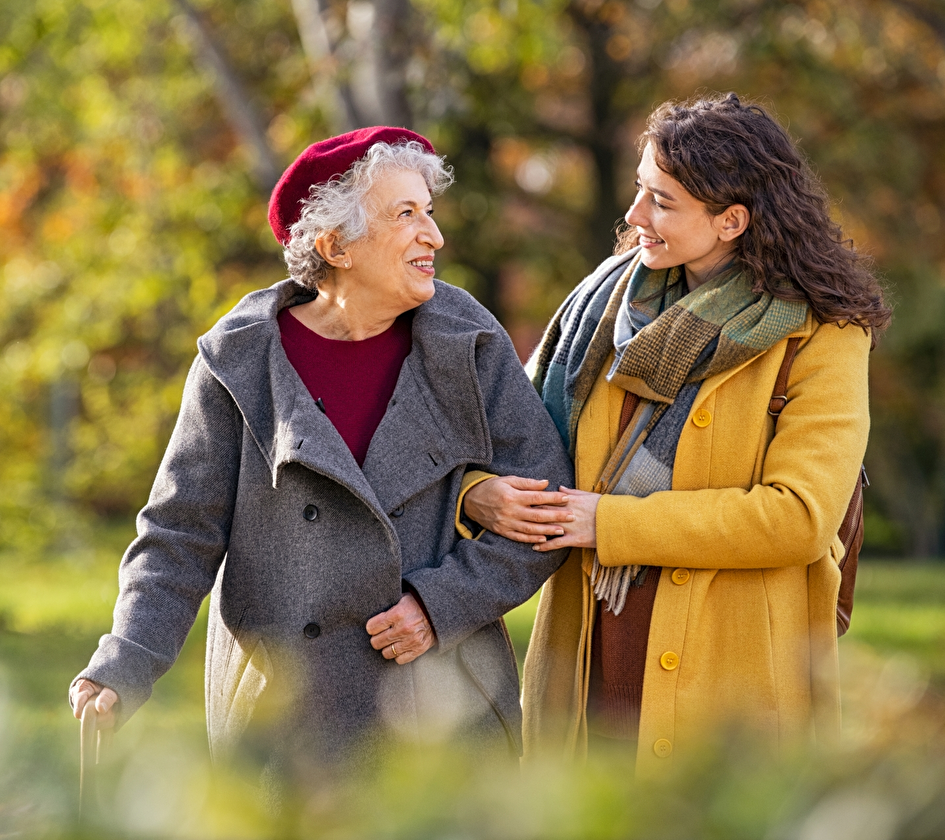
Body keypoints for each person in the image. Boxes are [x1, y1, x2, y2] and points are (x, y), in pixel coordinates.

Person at [70, 127, 573, 779]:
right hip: (286, 717)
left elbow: (547, 511)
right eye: (405, 214)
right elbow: (178, 534)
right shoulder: (238, 361)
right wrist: (124, 662)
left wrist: (440, 603)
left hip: (442, 712)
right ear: (334, 245)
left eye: (429, 211)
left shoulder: (468, 341)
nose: (433, 236)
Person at [460, 93, 891, 774]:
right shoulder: (599, 312)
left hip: (732, 680)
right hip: (589, 656)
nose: (634, 217)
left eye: (660, 201)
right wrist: (480, 494)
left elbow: (799, 517)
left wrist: (612, 523)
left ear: (730, 221)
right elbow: (501, 442)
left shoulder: (824, 336)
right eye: (638, 190)